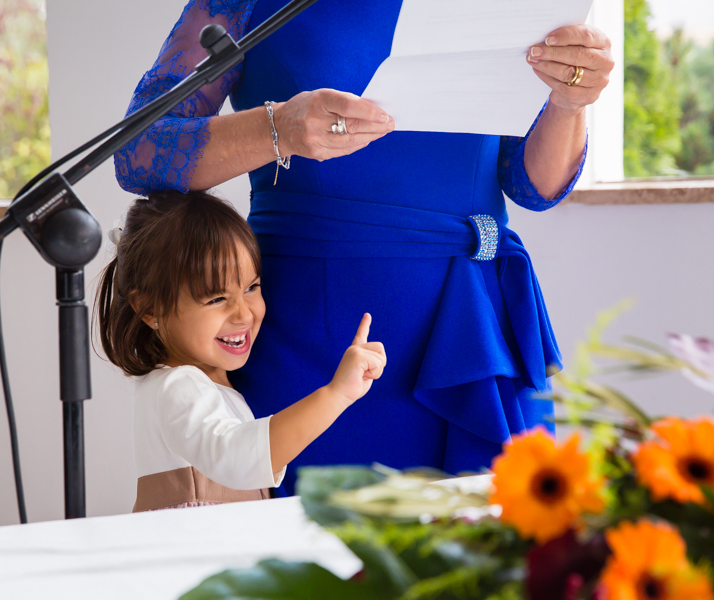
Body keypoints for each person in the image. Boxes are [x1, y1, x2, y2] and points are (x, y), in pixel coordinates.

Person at [114, 1, 615, 494]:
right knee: (321, 561)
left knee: (488, 557)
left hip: (474, 330)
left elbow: (533, 187)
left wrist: (569, 103)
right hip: (319, 338)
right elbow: (139, 152)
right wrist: (279, 128)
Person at [95, 190, 387, 511]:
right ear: (149, 308)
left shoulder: (207, 381)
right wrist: (336, 395)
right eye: (216, 299)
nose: (243, 314)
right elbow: (237, 459)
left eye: (251, 288)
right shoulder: (177, 386)